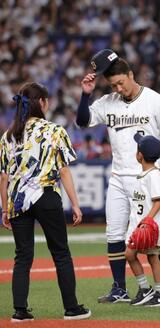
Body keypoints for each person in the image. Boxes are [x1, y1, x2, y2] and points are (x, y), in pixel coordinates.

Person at [76, 49, 160, 303]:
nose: (119, 88)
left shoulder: (155, 100)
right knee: (114, 233)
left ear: (131, 74)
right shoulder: (108, 101)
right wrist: (85, 94)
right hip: (118, 175)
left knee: (148, 233)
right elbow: (83, 121)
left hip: (147, 176)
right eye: (113, 85)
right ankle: (119, 288)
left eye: (121, 83)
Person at [0, 82, 91, 322]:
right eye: (46, 100)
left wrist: (5, 208)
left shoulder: (8, 135)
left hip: (18, 199)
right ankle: (71, 308)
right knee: (61, 253)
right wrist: (76, 204)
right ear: (41, 102)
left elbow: (4, 177)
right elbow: (63, 171)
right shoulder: (55, 130)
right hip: (47, 195)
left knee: (22, 256)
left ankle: (20, 311)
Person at [125, 133, 160, 307]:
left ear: (140, 155)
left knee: (152, 257)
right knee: (130, 254)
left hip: (149, 226)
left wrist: (147, 221)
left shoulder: (153, 175)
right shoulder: (148, 174)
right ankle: (145, 289)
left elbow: (158, 199)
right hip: (139, 224)